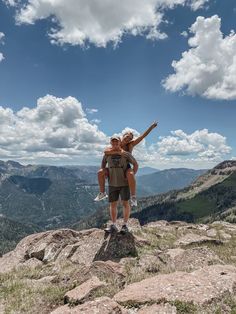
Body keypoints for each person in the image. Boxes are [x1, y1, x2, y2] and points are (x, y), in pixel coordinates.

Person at [94, 121, 158, 206]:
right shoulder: (116, 143)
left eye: (130, 138)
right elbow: (105, 152)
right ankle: (102, 193)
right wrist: (119, 153)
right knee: (100, 172)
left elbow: (142, 136)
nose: (128, 139)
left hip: (125, 167)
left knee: (130, 174)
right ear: (123, 135)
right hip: (113, 167)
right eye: (127, 137)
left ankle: (133, 197)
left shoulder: (130, 145)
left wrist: (151, 127)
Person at [102, 135, 138, 233]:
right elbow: (103, 164)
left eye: (116, 142)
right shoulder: (107, 154)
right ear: (111, 143)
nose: (115, 143)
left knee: (125, 204)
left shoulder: (125, 154)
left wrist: (131, 176)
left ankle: (125, 225)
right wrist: (105, 171)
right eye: (113, 142)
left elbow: (135, 164)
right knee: (113, 205)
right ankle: (113, 225)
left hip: (124, 183)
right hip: (112, 183)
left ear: (119, 142)